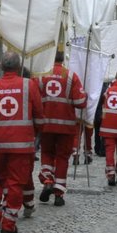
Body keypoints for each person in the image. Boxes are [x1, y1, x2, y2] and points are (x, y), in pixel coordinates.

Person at [0, 51, 41, 233]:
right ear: (18, 67)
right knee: (16, 182)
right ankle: (8, 222)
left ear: (1, 66)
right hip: (22, 145)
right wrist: (37, 134)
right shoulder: (29, 85)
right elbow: (39, 115)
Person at [34, 49, 86, 206]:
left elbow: (34, 98)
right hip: (66, 125)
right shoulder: (71, 76)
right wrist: (86, 96)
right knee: (62, 158)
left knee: (47, 152)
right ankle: (58, 194)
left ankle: (48, 179)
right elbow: (80, 103)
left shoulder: (41, 75)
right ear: (63, 59)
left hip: (46, 124)